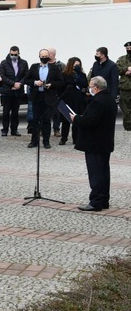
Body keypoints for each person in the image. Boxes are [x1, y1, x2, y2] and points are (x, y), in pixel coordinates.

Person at [72, 76, 116, 211]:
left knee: (96, 173)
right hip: (104, 142)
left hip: (95, 143)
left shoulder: (97, 101)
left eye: (91, 86)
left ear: (96, 88)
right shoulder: (110, 99)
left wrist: (76, 119)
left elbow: (90, 121)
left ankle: (96, 201)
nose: (89, 89)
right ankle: (103, 200)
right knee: (103, 172)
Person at [25, 49, 65, 149]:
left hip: (48, 97)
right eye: (42, 56)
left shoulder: (54, 68)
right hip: (36, 96)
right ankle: (34, 141)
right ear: (39, 56)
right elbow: (26, 79)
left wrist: (51, 85)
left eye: (46, 56)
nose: (44, 58)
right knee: (35, 120)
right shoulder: (34, 67)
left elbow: (61, 82)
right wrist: (35, 82)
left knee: (46, 120)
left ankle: (46, 141)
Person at [0, 46, 28, 136]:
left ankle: (14, 130)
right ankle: (4, 130)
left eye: (15, 54)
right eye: (12, 54)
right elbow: (2, 76)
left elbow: (26, 75)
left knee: (15, 112)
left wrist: (19, 84)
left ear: (19, 54)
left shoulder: (23, 63)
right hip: (7, 91)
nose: (13, 56)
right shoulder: (4, 63)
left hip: (18, 91)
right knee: (6, 112)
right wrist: (13, 84)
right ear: (9, 53)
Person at [59, 57, 88, 146]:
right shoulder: (65, 74)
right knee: (66, 121)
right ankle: (64, 138)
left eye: (78, 65)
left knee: (77, 120)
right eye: (75, 65)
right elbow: (62, 87)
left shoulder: (82, 75)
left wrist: (79, 76)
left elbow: (85, 84)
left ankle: (76, 139)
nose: (77, 66)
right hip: (68, 100)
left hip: (79, 100)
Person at [48, 48, 66, 137]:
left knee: (57, 112)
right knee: (44, 112)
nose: (47, 56)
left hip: (57, 92)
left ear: (53, 54)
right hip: (45, 92)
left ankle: (56, 129)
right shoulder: (43, 65)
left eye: (49, 54)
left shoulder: (61, 65)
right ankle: (42, 129)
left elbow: (63, 79)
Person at [116, 41, 131, 131]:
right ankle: (128, 127)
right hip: (125, 88)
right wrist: (126, 69)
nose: (128, 50)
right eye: (127, 48)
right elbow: (117, 69)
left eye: (130, 48)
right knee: (125, 109)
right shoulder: (121, 59)